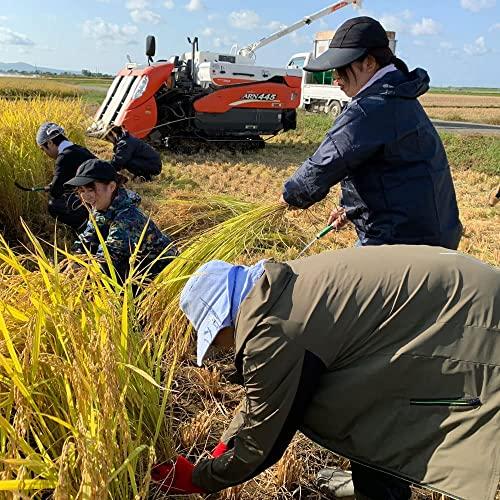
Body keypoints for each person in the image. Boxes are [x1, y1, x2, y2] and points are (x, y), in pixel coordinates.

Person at [152, 246, 500, 500]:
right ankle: (374, 487)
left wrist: (201, 478)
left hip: (469, 321)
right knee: (364, 402)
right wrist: (227, 442)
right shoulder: (277, 288)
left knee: (449, 418)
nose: (222, 348)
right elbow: (264, 398)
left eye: (216, 339)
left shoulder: (274, 331)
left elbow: (264, 441)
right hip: (458, 289)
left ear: (226, 320)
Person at [280, 17, 462, 250]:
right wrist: (351, 209)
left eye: (341, 69)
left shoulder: (373, 107)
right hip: (431, 234)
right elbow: (393, 174)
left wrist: (290, 196)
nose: (336, 79)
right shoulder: (399, 97)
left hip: (401, 243)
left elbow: (329, 159)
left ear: (368, 63)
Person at [64, 159, 177, 281]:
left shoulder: (128, 218)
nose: (85, 197)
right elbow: (87, 241)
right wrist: (73, 262)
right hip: (130, 264)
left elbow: (106, 262)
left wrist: (75, 279)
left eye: (91, 190)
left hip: (158, 275)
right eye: (81, 191)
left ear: (112, 186)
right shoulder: (101, 209)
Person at [36, 122, 96, 231]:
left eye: (43, 149)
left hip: (98, 199)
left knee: (54, 204)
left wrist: (52, 186)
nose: (45, 153)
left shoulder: (64, 157)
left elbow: (55, 191)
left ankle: (86, 228)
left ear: (49, 143)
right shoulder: (80, 149)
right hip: (107, 195)